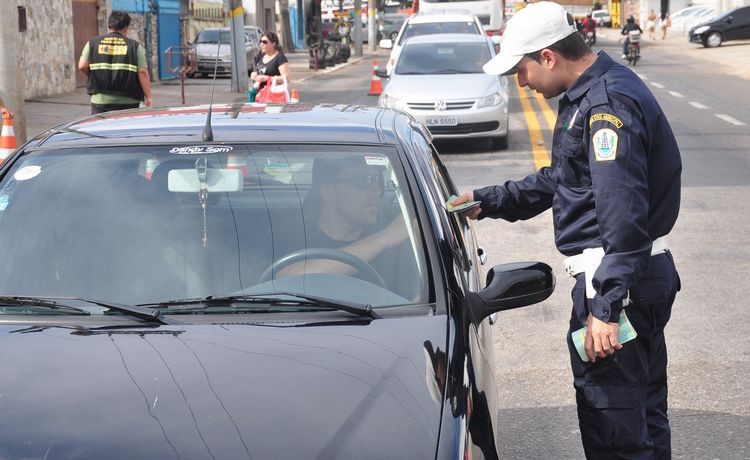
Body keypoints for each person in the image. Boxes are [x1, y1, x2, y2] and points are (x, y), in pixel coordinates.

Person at [453, 2, 681, 457]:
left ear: (549, 57)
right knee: (644, 420)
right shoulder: (596, 91)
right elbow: (567, 180)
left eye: (522, 69)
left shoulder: (605, 106)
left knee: (615, 431)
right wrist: (491, 199)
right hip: (635, 276)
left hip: (616, 281)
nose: (521, 82)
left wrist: (606, 305)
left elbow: (621, 212)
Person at [277, 156, 410, 287]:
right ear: (329, 192)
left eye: (378, 180)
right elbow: (286, 282)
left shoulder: (399, 238)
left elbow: (418, 298)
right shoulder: (290, 236)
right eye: (363, 180)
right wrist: (384, 238)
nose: (376, 191)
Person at [78, 11, 152, 114]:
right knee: (125, 129)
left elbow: (82, 66)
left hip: (101, 101)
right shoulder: (134, 46)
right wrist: (148, 96)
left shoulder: (92, 43)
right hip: (129, 101)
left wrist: (95, 75)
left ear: (109, 26)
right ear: (126, 28)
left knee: (101, 129)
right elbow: (142, 72)